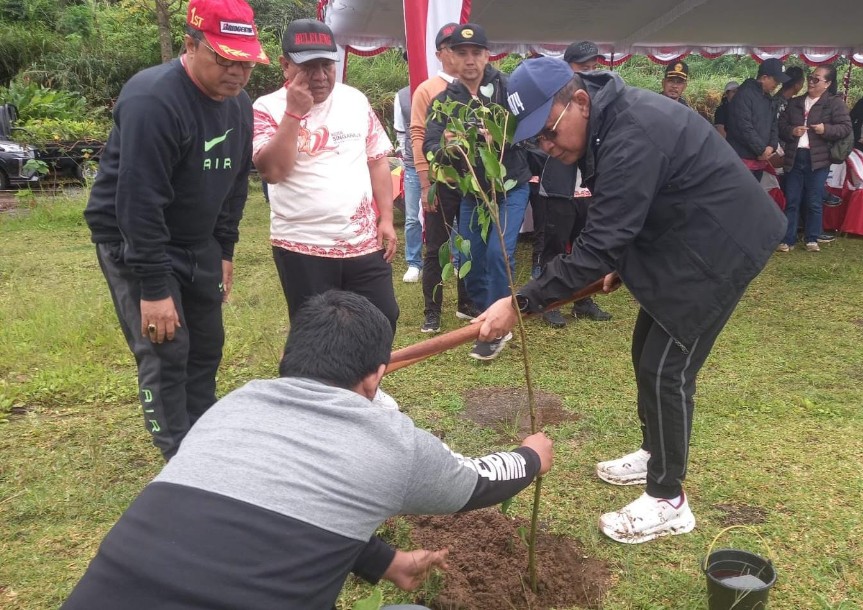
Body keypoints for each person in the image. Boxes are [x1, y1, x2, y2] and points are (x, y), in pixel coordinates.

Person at [61, 290, 554, 610]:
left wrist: (383, 561)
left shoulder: (231, 408)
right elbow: (476, 482)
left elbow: (281, 506)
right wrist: (532, 455)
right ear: (375, 376)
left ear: (288, 358)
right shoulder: (392, 443)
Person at [482, 57, 785, 543]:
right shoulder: (609, 121)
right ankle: (653, 451)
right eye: (534, 138)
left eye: (548, 132)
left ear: (579, 101)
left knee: (667, 370)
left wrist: (519, 303)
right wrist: (623, 266)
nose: (545, 146)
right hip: (684, 238)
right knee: (646, 354)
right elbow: (636, 210)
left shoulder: (632, 134)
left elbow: (600, 240)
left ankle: (668, 498)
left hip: (719, 248)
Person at [83, 0, 268, 461]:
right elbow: (138, 201)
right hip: (135, 239)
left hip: (198, 240)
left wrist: (224, 251)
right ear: (190, 45)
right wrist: (154, 287)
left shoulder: (239, 105)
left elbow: (234, 187)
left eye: (245, 62)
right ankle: (178, 461)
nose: (238, 73)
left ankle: (203, 446)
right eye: (225, 59)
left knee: (206, 345)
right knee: (166, 350)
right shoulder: (153, 100)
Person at [253, 19, 398, 330]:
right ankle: (322, 381)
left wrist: (385, 216)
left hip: (363, 241)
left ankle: (366, 380)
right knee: (318, 332)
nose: (319, 76)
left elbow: (377, 161)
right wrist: (293, 113)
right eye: (309, 67)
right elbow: (273, 172)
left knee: (382, 318)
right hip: (302, 244)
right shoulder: (266, 108)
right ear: (285, 66)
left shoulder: (354, 100)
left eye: (326, 65)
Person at [424, 23, 531, 361]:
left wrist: (500, 136)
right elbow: (429, 144)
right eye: (461, 53)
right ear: (450, 57)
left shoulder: (509, 90)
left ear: (487, 55)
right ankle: (487, 312)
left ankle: (498, 327)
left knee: (500, 254)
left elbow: (530, 132)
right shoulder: (444, 101)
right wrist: (446, 145)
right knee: (471, 257)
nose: (469, 60)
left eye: (476, 53)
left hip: (510, 186)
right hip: (473, 193)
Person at [527, 46, 612, 328]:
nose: (589, 72)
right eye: (582, 67)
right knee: (552, 247)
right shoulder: (551, 101)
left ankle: (583, 300)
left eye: (592, 66)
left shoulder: (603, 105)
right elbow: (532, 143)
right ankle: (549, 302)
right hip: (558, 189)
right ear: (568, 68)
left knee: (586, 245)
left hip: (588, 191)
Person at [412, 23, 477, 333]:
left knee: (469, 244)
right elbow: (418, 136)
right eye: (452, 49)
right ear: (440, 54)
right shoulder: (428, 90)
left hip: (474, 183)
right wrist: (426, 184)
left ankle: (466, 302)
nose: (460, 55)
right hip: (443, 181)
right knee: (437, 247)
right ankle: (432, 311)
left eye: (466, 49)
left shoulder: (478, 87)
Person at [777, 64, 852, 252]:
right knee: (792, 199)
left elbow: (845, 127)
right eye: (811, 77)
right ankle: (788, 240)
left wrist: (826, 129)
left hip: (818, 159)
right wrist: (791, 131)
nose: (811, 81)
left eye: (816, 79)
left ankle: (812, 238)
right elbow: (780, 126)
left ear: (827, 83)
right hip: (795, 157)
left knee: (814, 199)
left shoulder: (834, 103)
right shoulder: (795, 102)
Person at [727, 58, 791, 181]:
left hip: (761, 159)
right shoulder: (744, 94)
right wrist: (761, 149)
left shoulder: (768, 98)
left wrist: (771, 146)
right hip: (743, 159)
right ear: (764, 77)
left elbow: (774, 124)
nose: (777, 85)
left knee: (754, 197)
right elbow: (744, 126)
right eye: (776, 81)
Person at [394, 55, 423, 283]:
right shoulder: (402, 95)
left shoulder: (443, 89)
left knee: (450, 215)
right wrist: (405, 160)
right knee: (412, 217)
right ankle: (414, 262)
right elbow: (400, 132)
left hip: (443, 164)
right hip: (413, 165)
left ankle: (456, 260)